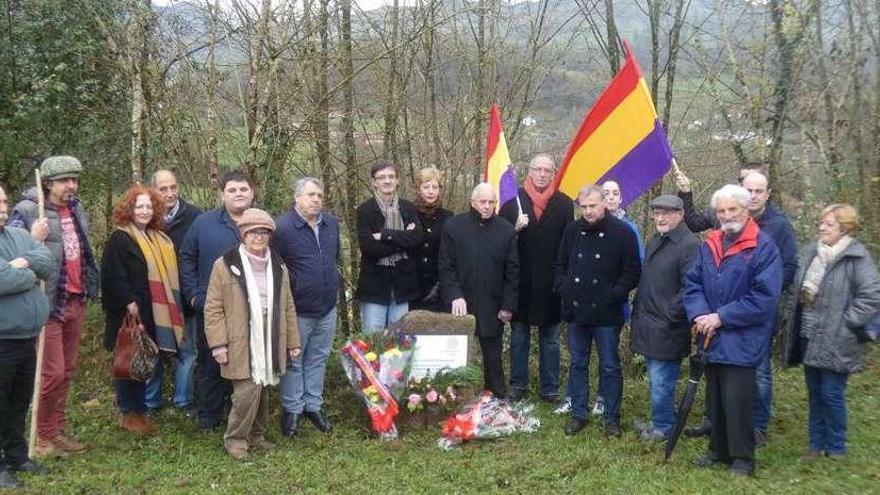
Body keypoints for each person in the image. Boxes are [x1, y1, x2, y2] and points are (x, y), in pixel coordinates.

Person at [676, 168, 797, 444]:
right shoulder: (716, 235)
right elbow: (695, 227)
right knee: (716, 376)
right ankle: (715, 426)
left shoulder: (777, 227)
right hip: (715, 322)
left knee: (758, 375)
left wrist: (758, 291)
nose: (753, 195)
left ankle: (755, 428)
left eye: (758, 191)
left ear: (766, 195)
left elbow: (786, 268)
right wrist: (703, 314)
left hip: (752, 319)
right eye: (749, 189)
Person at [9, 156, 99, 458]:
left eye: (74, 180)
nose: (71, 186)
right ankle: (42, 437)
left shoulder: (77, 210)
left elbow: (83, 253)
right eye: (64, 181)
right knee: (52, 373)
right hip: (46, 305)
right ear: (48, 183)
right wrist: (34, 238)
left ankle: (57, 430)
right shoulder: (27, 211)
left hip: (74, 299)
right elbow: (9, 253)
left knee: (67, 371)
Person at [781, 204, 880, 459]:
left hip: (839, 339)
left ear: (845, 228)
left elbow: (871, 297)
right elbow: (796, 289)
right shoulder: (811, 252)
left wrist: (847, 322)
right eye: (821, 223)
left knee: (832, 393)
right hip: (808, 335)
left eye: (829, 224)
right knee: (814, 393)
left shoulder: (857, 257)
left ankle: (836, 447)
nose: (822, 228)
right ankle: (816, 445)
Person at [204, 209, 301, 460]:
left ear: (269, 235)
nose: (258, 237)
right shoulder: (224, 265)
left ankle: (256, 436)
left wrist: (293, 341)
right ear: (243, 234)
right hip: (239, 336)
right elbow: (213, 308)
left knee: (263, 387)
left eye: (263, 232)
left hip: (271, 334)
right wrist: (218, 344)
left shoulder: (278, 265)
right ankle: (235, 440)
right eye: (253, 232)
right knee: (247, 390)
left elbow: (288, 304)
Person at [554, 185, 641, 438]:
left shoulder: (622, 232)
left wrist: (615, 295)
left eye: (593, 206)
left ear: (604, 203)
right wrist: (564, 288)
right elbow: (560, 264)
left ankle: (611, 418)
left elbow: (633, 270)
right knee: (578, 363)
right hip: (576, 311)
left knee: (610, 366)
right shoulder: (572, 230)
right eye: (584, 207)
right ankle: (578, 413)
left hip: (607, 313)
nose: (589, 211)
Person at [101, 186, 185, 436]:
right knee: (128, 360)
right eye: (139, 207)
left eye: (149, 206)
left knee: (144, 361)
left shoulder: (157, 238)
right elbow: (112, 274)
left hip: (151, 311)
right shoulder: (120, 238)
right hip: (128, 313)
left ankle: (141, 410)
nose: (145, 211)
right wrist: (128, 301)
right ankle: (129, 412)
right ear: (129, 209)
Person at [179, 170, 254, 431]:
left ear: (252, 193)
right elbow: (186, 257)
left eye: (243, 189)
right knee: (211, 362)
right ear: (223, 194)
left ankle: (242, 414)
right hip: (211, 308)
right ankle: (208, 416)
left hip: (250, 309)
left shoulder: (260, 223)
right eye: (232, 190)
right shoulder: (204, 223)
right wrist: (192, 294)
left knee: (246, 362)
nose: (238, 194)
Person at [499, 154, 573, 402]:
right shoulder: (512, 202)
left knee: (550, 339)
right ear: (528, 171)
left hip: (551, 283)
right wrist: (515, 228)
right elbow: (497, 243)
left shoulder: (564, 204)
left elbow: (568, 245)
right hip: (520, 282)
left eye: (547, 170)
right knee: (519, 336)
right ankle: (518, 385)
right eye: (537, 169)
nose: (542, 174)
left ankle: (550, 388)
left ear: (553, 174)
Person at [629, 195, 700, 441]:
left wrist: (670, 314)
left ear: (680, 215)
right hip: (649, 323)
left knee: (662, 381)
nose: (660, 218)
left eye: (666, 213)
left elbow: (691, 287)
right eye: (656, 213)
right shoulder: (655, 240)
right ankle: (660, 420)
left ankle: (663, 428)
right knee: (656, 378)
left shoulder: (689, 245)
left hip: (668, 327)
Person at [438, 183, 518, 397]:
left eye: (491, 202)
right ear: (472, 202)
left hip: (493, 304)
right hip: (460, 304)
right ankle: (455, 398)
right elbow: (446, 267)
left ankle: (498, 397)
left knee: (493, 356)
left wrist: (507, 305)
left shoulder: (506, 230)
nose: (486, 206)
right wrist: (454, 295)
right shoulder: (453, 226)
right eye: (482, 201)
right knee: (458, 354)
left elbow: (512, 273)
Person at [274, 178, 339, 436]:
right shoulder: (282, 228)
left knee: (318, 358)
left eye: (320, 195)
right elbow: (276, 268)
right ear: (297, 198)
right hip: (297, 309)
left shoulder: (330, 223)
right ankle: (292, 409)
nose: (316, 200)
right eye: (311, 195)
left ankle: (313, 406)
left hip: (327, 307)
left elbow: (334, 259)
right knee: (293, 360)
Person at [0, 184, 52, 490]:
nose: (3, 207)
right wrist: (22, 271)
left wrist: (20, 266)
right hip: (2, 339)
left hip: (25, 336)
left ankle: (17, 456)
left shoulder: (19, 236)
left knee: (20, 401)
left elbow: (46, 262)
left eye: (5, 201)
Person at [584, 180, 645, 417]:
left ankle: (604, 397)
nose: (610, 197)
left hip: (612, 305)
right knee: (581, 357)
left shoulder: (629, 228)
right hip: (584, 305)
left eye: (615, 193)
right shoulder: (584, 224)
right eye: (606, 193)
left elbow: (636, 266)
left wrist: (616, 292)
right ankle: (578, 398)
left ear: (621, 198)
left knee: (608, 357)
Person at [145, 170, 203, 417]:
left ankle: (183, 399)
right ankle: (150, 402)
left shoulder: (194, 217)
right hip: (154, 298)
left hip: (184, 297)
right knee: (153, 350)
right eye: (163, 189)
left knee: (187, 351)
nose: (169, 193)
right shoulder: (144, 216)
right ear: (153, 190)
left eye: (173, 187)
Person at [355, 160, 424, 333]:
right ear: (373, 182)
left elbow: (416, 239)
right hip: (374, 285)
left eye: (391, 177)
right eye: (382, 177)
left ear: (397, 180)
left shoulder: (408, 208)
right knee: (372, 339)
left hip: (402, 285)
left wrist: (385, 235)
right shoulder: (364, 210)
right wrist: (403, 240)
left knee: (399, 339)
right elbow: (370, 248)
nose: (387, 181)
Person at [409, 166, 453, 312]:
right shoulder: (408, 213)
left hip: (438, 290)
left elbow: (449, 255)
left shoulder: (448, 217)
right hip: (410, 288)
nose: (431, 191)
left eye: (435, 187)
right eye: (426, 186)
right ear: (418, 189)